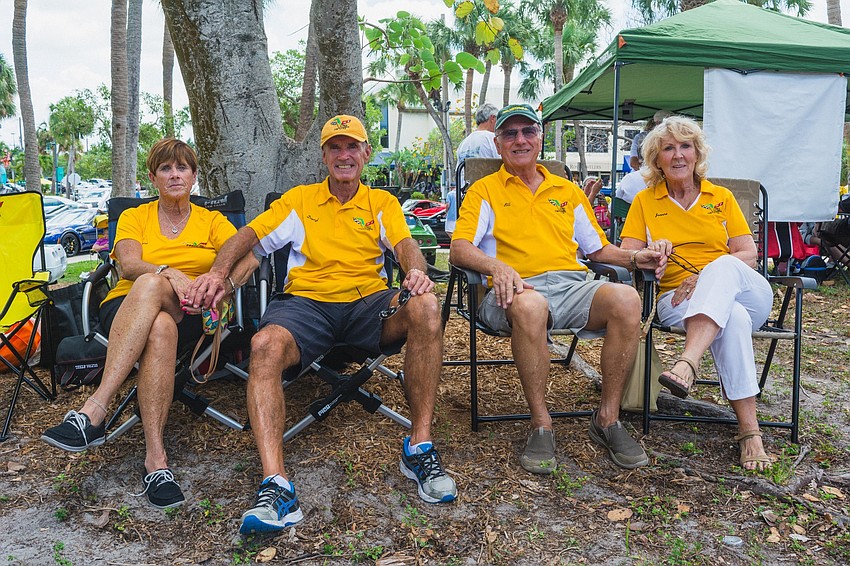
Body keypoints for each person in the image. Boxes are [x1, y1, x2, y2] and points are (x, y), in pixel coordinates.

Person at [185, 115, 456, 535]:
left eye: (352, 147)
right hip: (306, 306)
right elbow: (248, 239)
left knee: (425, 306)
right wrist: (220, 276)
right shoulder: (299, 200)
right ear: (324, 155)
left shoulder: (380, 203)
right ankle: (276, 486)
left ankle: (418, 447)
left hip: (368, 304)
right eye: (335, 147)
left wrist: (415, 273)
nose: (344, 155)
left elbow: (406, 247)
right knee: (264, 344)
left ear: (366, 154)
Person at [449, 103, 667, 474]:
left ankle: (607, 419)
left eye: (528, 131)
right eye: (510, 134)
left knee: (627, 298)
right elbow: (459, 247)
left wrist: (635, 259)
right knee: (531, 306)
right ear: (499, 144)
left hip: (571, 284)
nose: (520, 140)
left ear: (540, 139)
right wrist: (496, 267)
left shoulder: (566, 191)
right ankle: (541, 423)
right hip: (514, 290)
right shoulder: (484, 190)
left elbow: (598, 249)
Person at [41, 139, 258, 508]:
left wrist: (221, 283)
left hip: (195, 312)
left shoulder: (212, 221)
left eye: (182, 168)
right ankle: (156, 461)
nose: (175, 175)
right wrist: (169, 272)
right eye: (166, 169)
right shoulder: (135, 217)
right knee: (156, 312)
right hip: (127, 307)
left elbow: (249, 260)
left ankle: (94, 412)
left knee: (157, 294)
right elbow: (127, 265)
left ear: (193, 176)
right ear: (153, 177)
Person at [620, 116, 776, 471]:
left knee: (723, 267)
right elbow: (630, 256)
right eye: (668, 148)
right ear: (656, 159)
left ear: (697, 153)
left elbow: (748, 255)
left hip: (746, 293)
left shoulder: (720, 197)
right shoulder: (645, 202)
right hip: (677, 299)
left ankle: (687, 361)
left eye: (685, 146)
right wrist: (652, 252)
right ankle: (750, 433)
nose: (678, 155)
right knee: (730, 318)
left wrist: (704, 275)